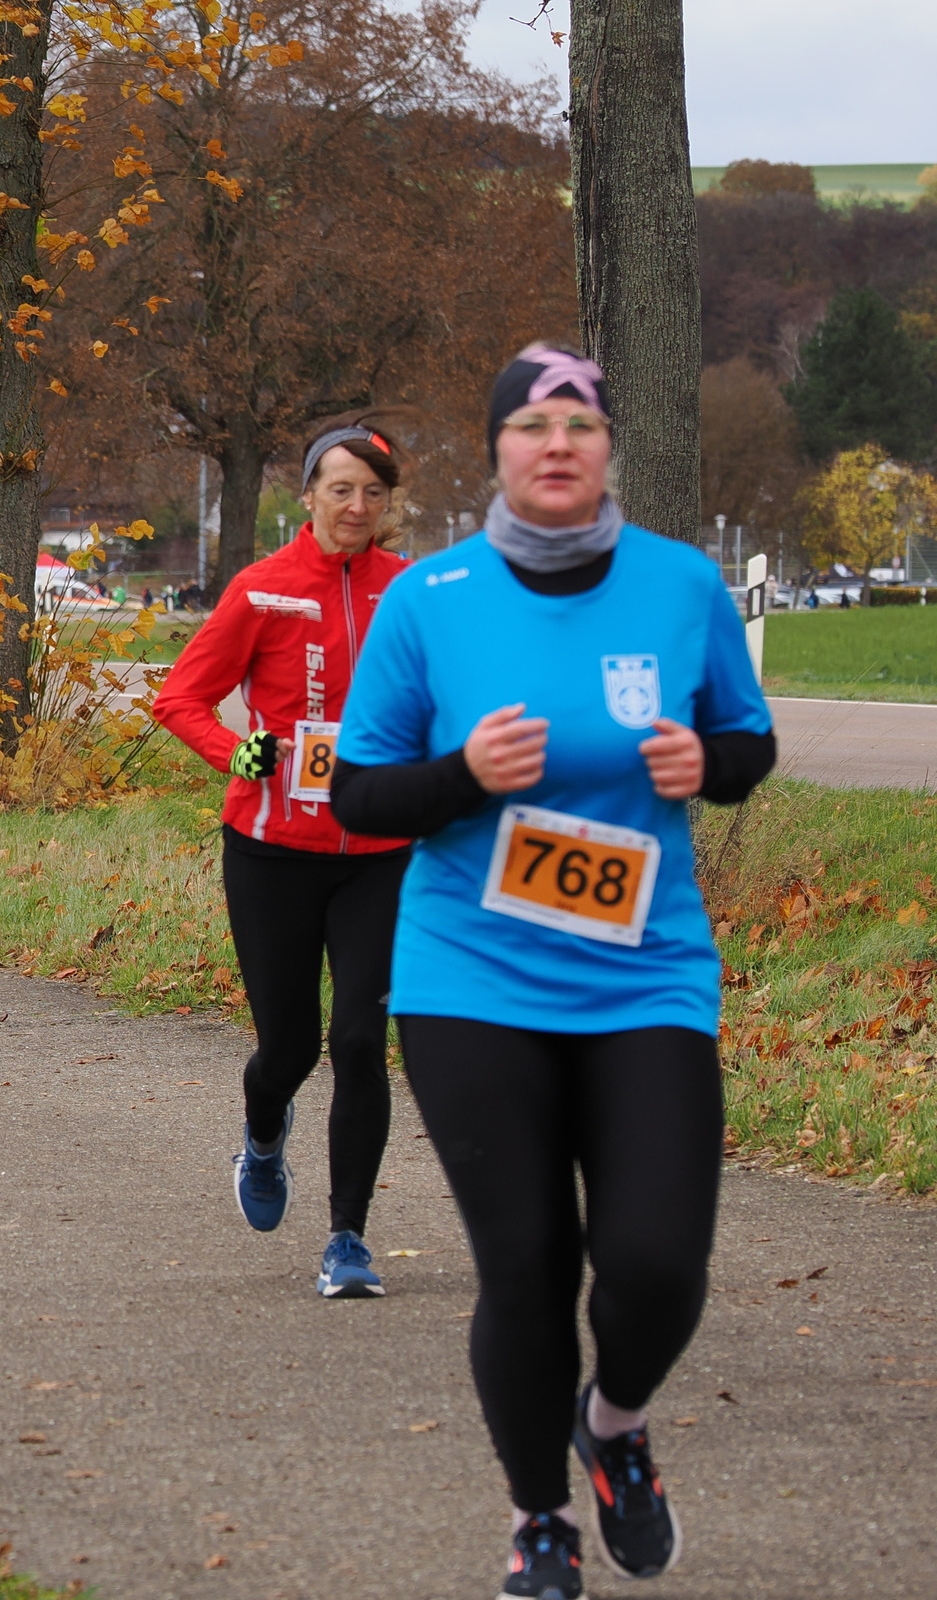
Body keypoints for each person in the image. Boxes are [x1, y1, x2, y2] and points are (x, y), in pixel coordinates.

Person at [332, 346, 776, 1600]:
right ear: (498, 451)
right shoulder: (432, 600)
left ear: (608, 446)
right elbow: (360, 794)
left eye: (578, 423)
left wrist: (711, 765)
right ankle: (540, 1519)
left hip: (647, 977)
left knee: (656, 1264)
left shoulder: (681, 585)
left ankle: (615, 1422)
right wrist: (463, 775)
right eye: (531, 425)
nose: (557, 444)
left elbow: (748, 742)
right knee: (527, 1262)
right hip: (473, 977)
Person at [152, 416, 414, 1300]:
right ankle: (264, 1136)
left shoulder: (409, 593)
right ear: (308, 496)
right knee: (291, 1047)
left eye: (373, 492)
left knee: (361, 1042)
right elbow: (180, 698)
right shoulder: (263, 590)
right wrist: (237, 753)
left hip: (380, 851)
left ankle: (347, 1239)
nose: (357, 505)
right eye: (341, 489)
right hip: (272, 851)